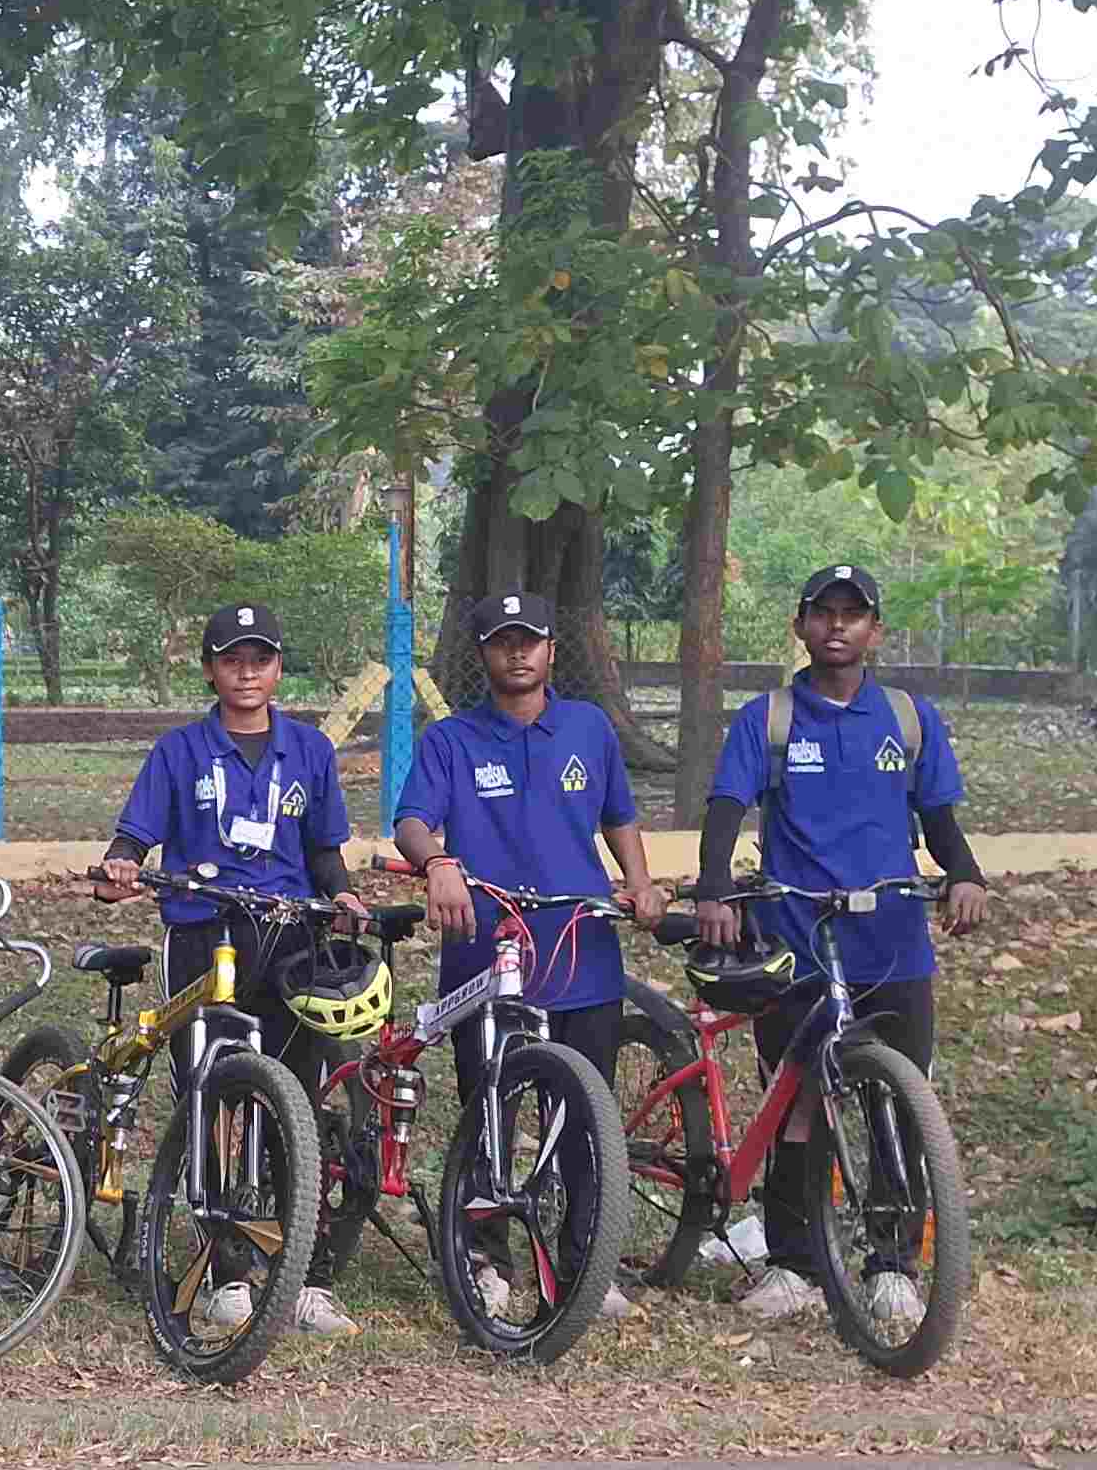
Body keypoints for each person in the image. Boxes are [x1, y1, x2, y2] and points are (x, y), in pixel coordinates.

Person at [695, 564, 991, 1326]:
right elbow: (726, 810)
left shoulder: (909, 719)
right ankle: (793, 1263)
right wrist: (715, 888)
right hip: (795, 943)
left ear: (875, 632)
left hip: (893, 946)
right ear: (800, 625)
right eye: (822, 613)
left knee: (901, 1107)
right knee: (795, 1107)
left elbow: (941, 820)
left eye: (852, 615)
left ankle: (893, 1266)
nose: (836, 626)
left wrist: (965, 875)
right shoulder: (767, 720)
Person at [91, 600, 369, 1331]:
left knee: (299, 1102)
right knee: (211, 1098)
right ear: (210, 670)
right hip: (204, 933)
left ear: (279, 668)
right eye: (231, 660)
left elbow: (324, 852)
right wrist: (119, 866)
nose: (247, 672)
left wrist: (343, 894)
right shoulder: (179, 751)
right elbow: (134, 838)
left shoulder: (310, 750)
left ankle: (302, 1273)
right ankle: (227, 1273)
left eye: (261, 659)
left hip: (292, 936)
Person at [393, 591, 668, 1324]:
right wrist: (438, 863)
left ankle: (584, 1262)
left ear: (551, 649)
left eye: (530, 640)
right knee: (490, 1112)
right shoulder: (451, 740)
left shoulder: (589, 727)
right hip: (489, 957)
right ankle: (486, 1260)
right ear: (482, 653)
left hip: (583, 953)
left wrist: (640, 882)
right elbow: (412, 821)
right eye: (501, 641)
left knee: (584, 1117)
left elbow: (618, 815)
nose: (517, 653)